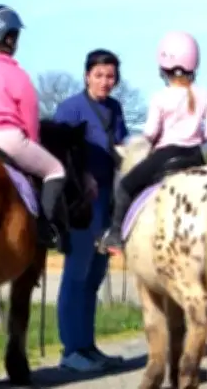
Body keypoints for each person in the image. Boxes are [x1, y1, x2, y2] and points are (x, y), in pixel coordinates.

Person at [0, 4, 67, 247]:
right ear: (7, 37)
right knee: (55, 170)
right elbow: (29, 118)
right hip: (8, 139)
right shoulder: (18, 75)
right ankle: (45, 228)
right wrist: (34, 144)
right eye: (14, 35)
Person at [98, 31, 207, 253]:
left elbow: (151, 132)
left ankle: (115, 235)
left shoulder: (160, 97)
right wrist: (194, 139)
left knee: (125, 186)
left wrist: (152, 143)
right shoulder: (204, 94)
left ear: (164, 66)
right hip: (195, 156)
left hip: (165, 156)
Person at [54, 48, 128, 371]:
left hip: (110, 201)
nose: (105, 82)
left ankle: (87, 345)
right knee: (76, 273)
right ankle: (71, 350)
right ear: (86, 76)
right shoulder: (70, 109)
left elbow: (122, 147)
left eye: (110, 76)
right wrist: (81, 176)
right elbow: (57, 154)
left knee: (96, 275)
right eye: (98, 75)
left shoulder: (115, 108)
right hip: (81, 204)